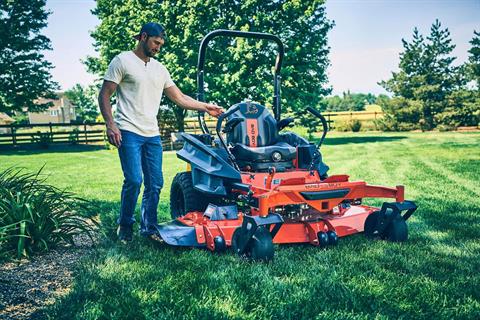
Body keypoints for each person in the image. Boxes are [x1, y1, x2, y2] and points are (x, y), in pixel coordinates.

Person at [98, 22, 223, 242]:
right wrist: (111, 124)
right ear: (143, 37)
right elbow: (104, 94)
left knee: (155, 183)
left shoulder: (159, 69)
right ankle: (125, 225)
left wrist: (205, 106)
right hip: (128, 131)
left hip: (152, 134)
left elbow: (180, 98)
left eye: (161, 44)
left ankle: (149, 228)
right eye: (156, 42)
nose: (158, 47)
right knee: (134, 180)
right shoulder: (122, 61)